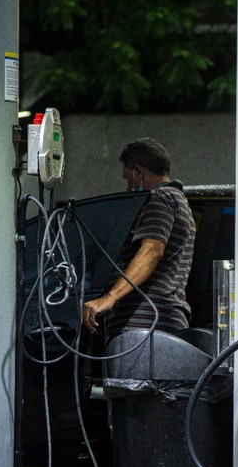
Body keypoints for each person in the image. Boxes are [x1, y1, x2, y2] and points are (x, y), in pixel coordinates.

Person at [81, 138, 195, 337]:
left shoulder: (160, 198)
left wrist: (110, 297)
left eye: (127, 178)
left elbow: (152, 250)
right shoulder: (178, 201)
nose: (128, 186)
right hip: (159, 324)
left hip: (145, 325)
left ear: (139, 172)